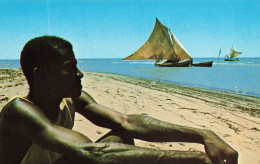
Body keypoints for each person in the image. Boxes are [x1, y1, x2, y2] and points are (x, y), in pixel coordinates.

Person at [0, 36, 238, 164]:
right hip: (87, 154)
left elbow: (127, 121)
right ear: (41, 75)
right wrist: (183, 159)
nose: (80, 74)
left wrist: (203, 134)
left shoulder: (71, 99)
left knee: (122, 136)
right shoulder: (18, 111)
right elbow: (93, 153)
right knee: (95, 155)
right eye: (70, 68)